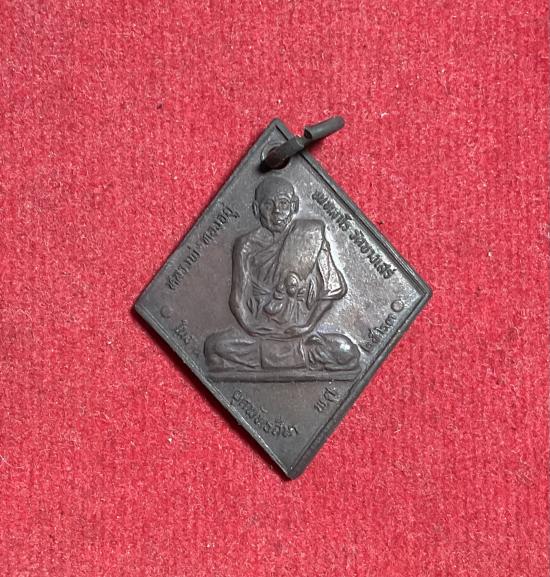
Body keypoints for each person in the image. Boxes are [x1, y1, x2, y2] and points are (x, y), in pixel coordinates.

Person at [205, 176, 360, 372]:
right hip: (262, 331)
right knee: (214, 346)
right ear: (256, 209)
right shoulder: (246, 245)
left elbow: (331, 289)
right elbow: (237, 297)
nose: (277, 211)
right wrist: (249, 325)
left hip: (301, 333)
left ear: (294, 206)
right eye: (268, 205)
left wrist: (307, 325)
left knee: (346, 350)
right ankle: (301, 359)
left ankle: (277, 358)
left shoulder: (310, 235)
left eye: (284, 203)